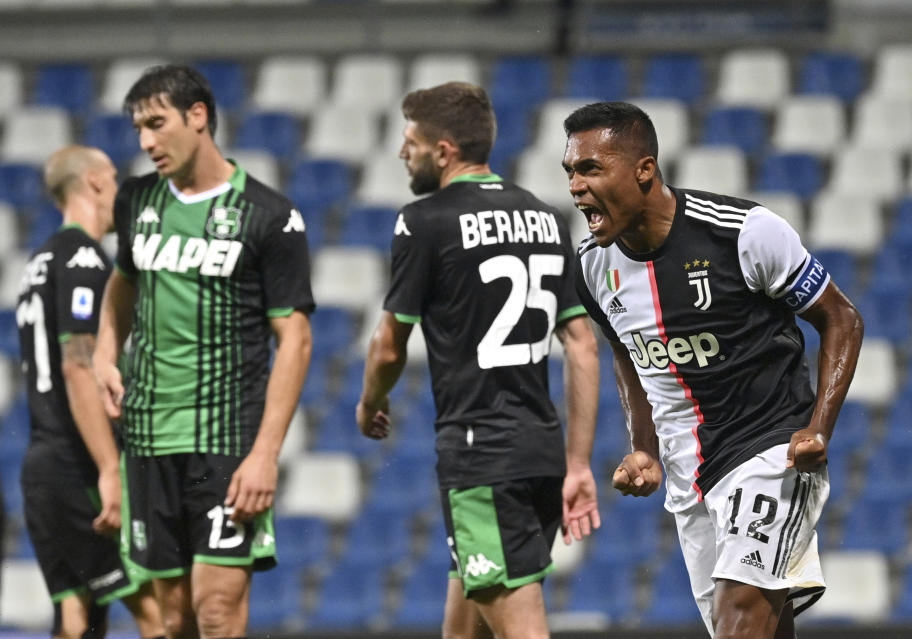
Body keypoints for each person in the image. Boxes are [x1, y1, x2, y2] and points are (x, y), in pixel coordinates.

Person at [562, 102, 864, 639]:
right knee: (760, 626)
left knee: (739, 619)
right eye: (570, 172)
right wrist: (644, 448)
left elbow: (841, 318)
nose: (576, 186)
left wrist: (819, 427)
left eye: (591, 169)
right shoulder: (591, 266)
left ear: (644, 170)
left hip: (769, 448)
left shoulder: (742, 233)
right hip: (689, 473)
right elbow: (628, 355)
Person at [356, 82, 601, 639]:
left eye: (410, 143)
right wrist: (580, 462)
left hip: (481, 455)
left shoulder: (425, 220)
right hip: (541, 453)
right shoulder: (544, 217)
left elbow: (389, 344)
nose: (402, 154)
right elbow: (582, 344)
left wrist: (370, 401)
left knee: (521, 630)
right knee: (463, 632)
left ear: (442, 151)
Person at [92, 65, 314, 639]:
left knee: (216, 611)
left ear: (198, 117)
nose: (145, 142)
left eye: (156, 124)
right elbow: (124, 278)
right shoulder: (136, 199)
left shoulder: (269, 215)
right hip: (147, 437)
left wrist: (265, 453)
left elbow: (296, 338)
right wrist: (103, 353)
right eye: (139, 128)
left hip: (225, 442)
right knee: (172, 619)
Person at [17, 145, 163, 639]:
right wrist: (107, 468)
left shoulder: (39, 261)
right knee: (158, 616)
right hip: (78, 463)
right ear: (97, 182)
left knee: (78, 620)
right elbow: (78, 366)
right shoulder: (82, 259)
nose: (120, 191)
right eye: (116, 179)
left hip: (42, 466)